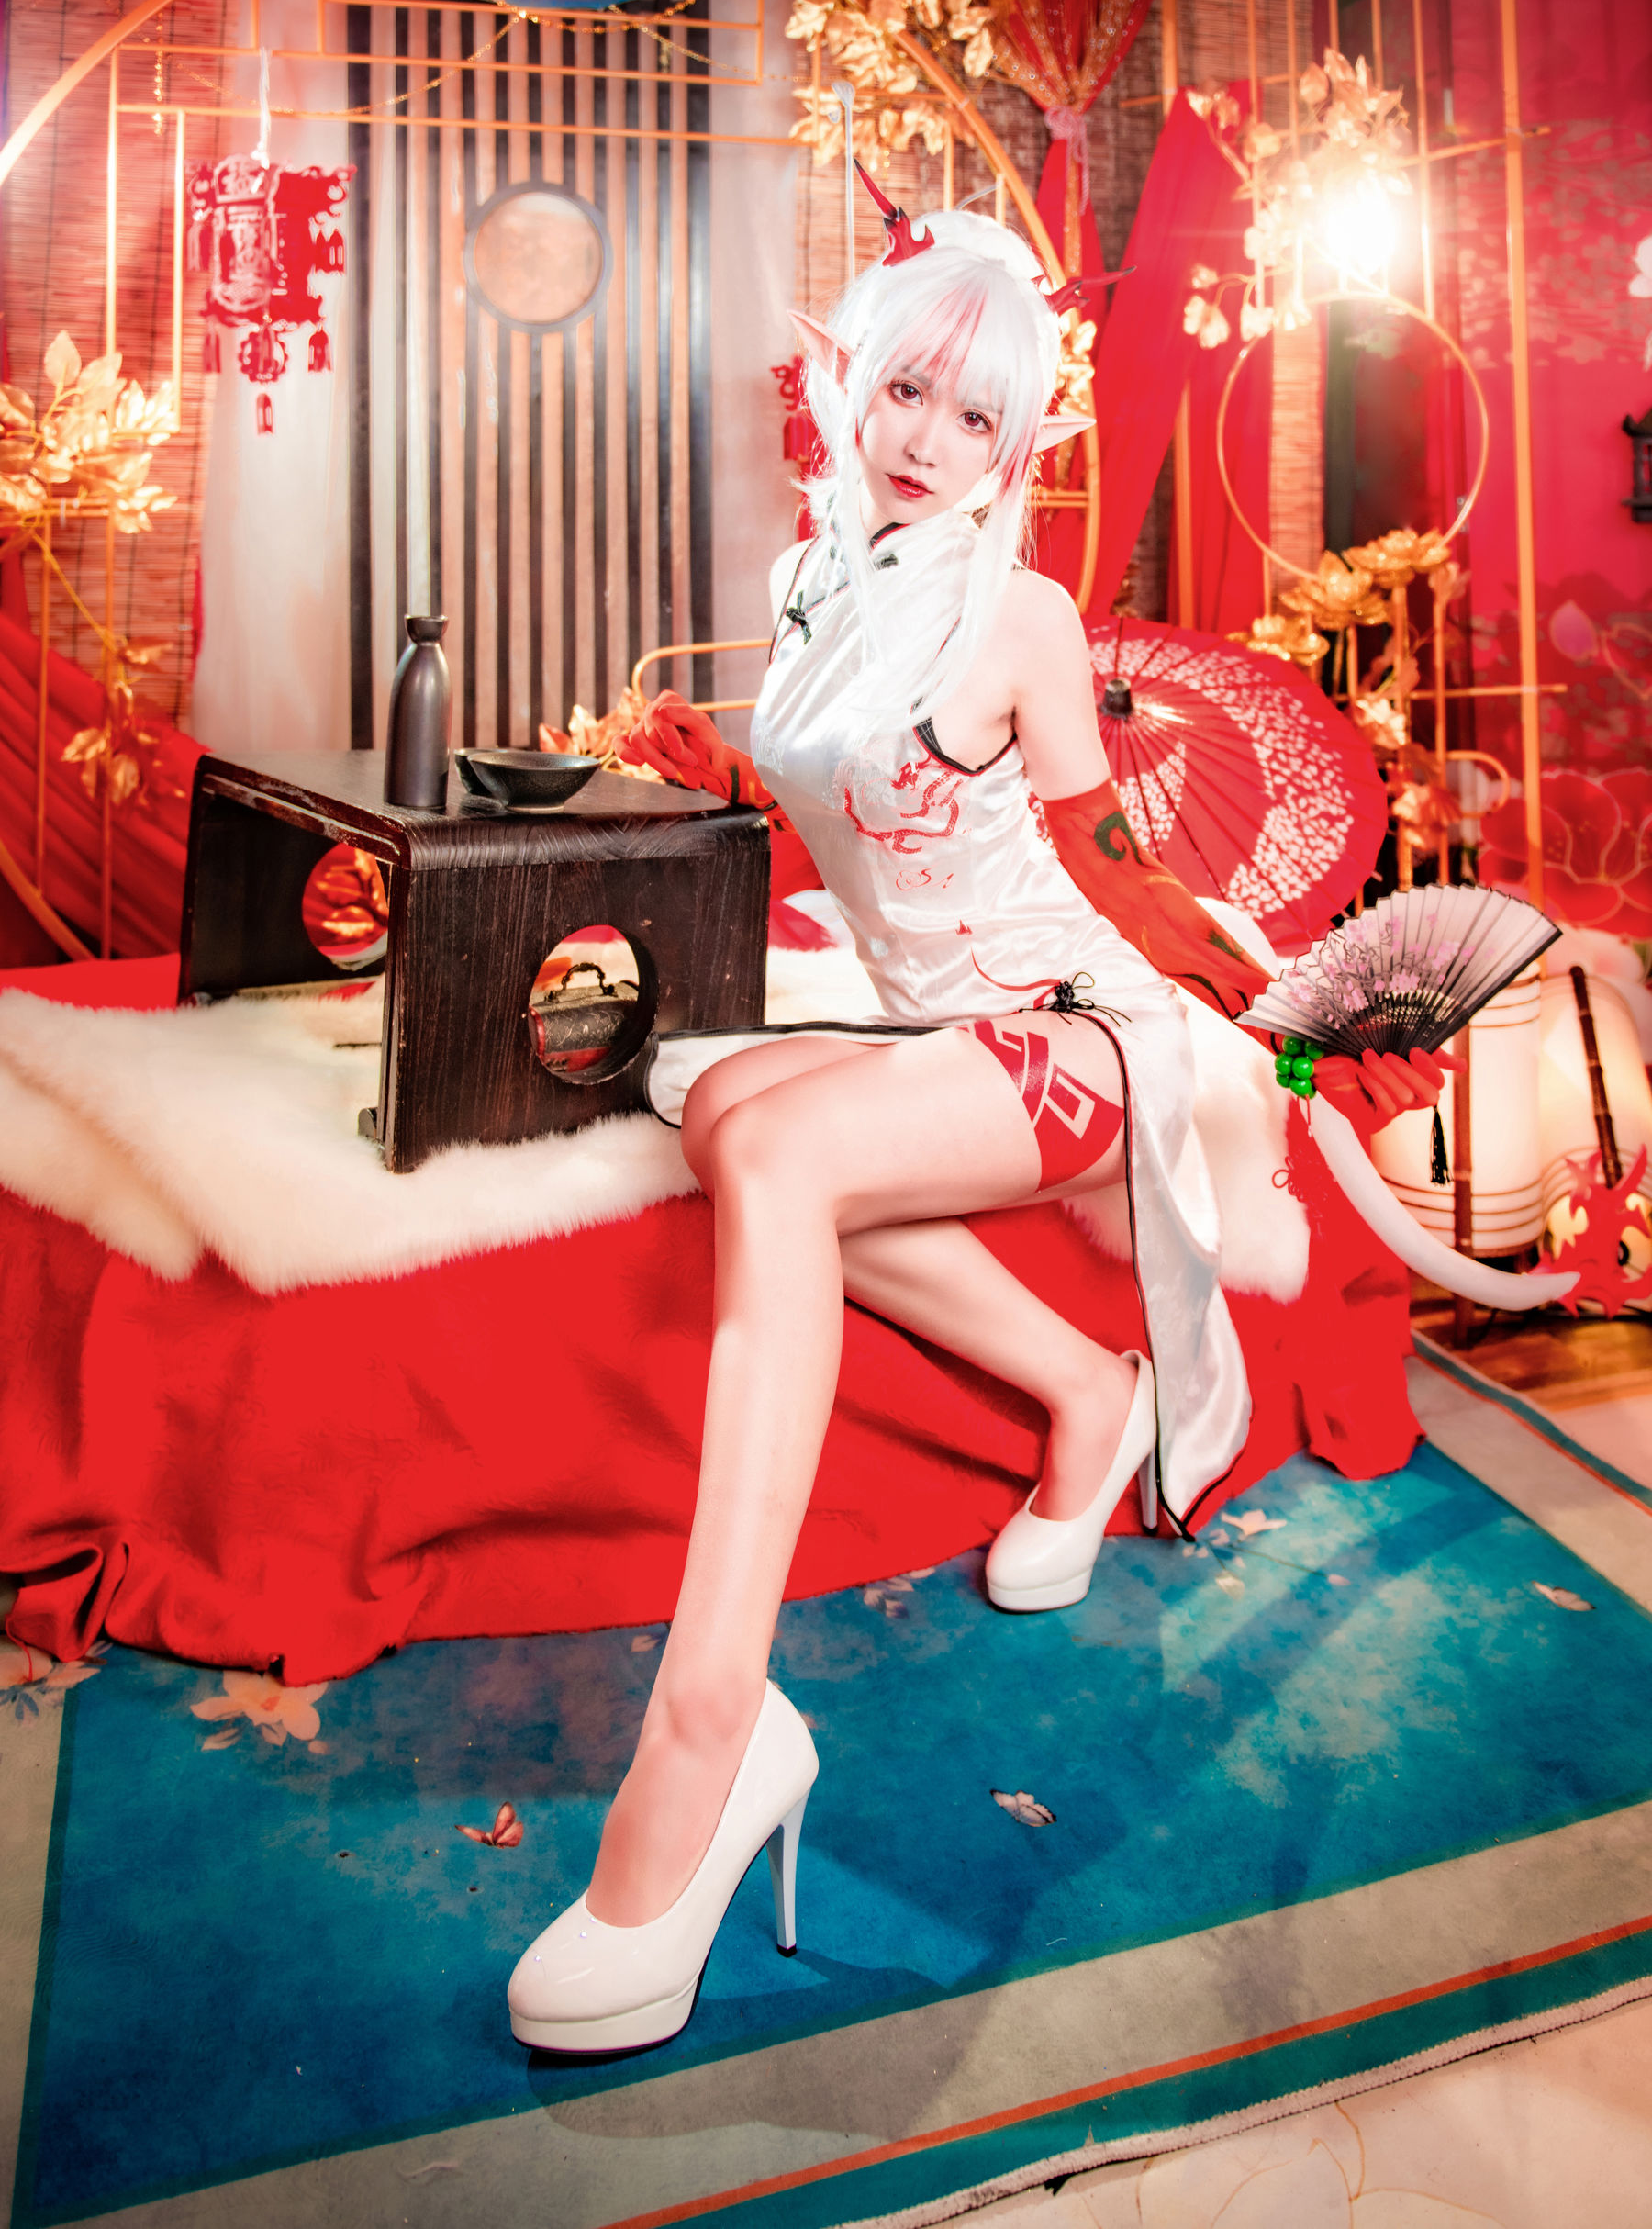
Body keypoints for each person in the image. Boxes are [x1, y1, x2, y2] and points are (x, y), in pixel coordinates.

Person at [507, 197, 1446, 2056]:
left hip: (1079, 1030)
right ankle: (1088, 1393)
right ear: (851, 382)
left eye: (978, 418)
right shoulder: (811, 583)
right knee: (728, 1110)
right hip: (933, 1024)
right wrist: (704, 774)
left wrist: (1294, 1020)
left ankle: (711, 1727)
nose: (929, 439)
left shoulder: (1019, 615)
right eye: (907, 391)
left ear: (1018, 449)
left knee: (783, 1151)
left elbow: (1116, 872)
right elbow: (844, 813)